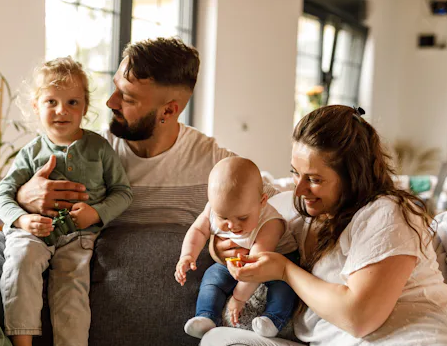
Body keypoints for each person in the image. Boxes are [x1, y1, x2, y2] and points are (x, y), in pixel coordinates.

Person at [199, 105, 447, 346]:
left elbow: (359, 316)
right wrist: (219, 245)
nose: (299, 188)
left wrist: (285, 270)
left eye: (315, 179)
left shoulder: (385, 213)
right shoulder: (295, 210)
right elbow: (239, 217)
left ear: (352, 175)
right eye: (295, 173)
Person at [14, 37, 276, 232]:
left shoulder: (214, 164)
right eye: (115, 88)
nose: (110, 102)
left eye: (127, 98)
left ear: (169, 110)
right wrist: (23, 196)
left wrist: (229, 245)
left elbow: (275, 204)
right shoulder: (93, 151)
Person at [0, 57, 133, 346]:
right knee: (21, 260)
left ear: (85, 107)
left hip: (78, 238)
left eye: (72, 102)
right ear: (36, 106)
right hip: (34, 232)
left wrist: (96, 213)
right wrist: (23, 221)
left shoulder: (99, 149)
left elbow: (123, 192)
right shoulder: (30, 153)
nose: (61, 110)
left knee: (72, 284)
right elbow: (1, 196)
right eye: (51, 101)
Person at [176, 157, 298, 338]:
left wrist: (239, 298)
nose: (232, 226)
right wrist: (187, 255)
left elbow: (257, 267)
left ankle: (273, 319)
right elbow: (198, 230)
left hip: (273, 263)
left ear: (262, 202)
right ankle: (206, 317)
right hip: (237, 261)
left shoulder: (271, 223)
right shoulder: (213, 209)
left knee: (285, 286)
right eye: (223, 218)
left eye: (242, 218)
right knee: (211, 277)